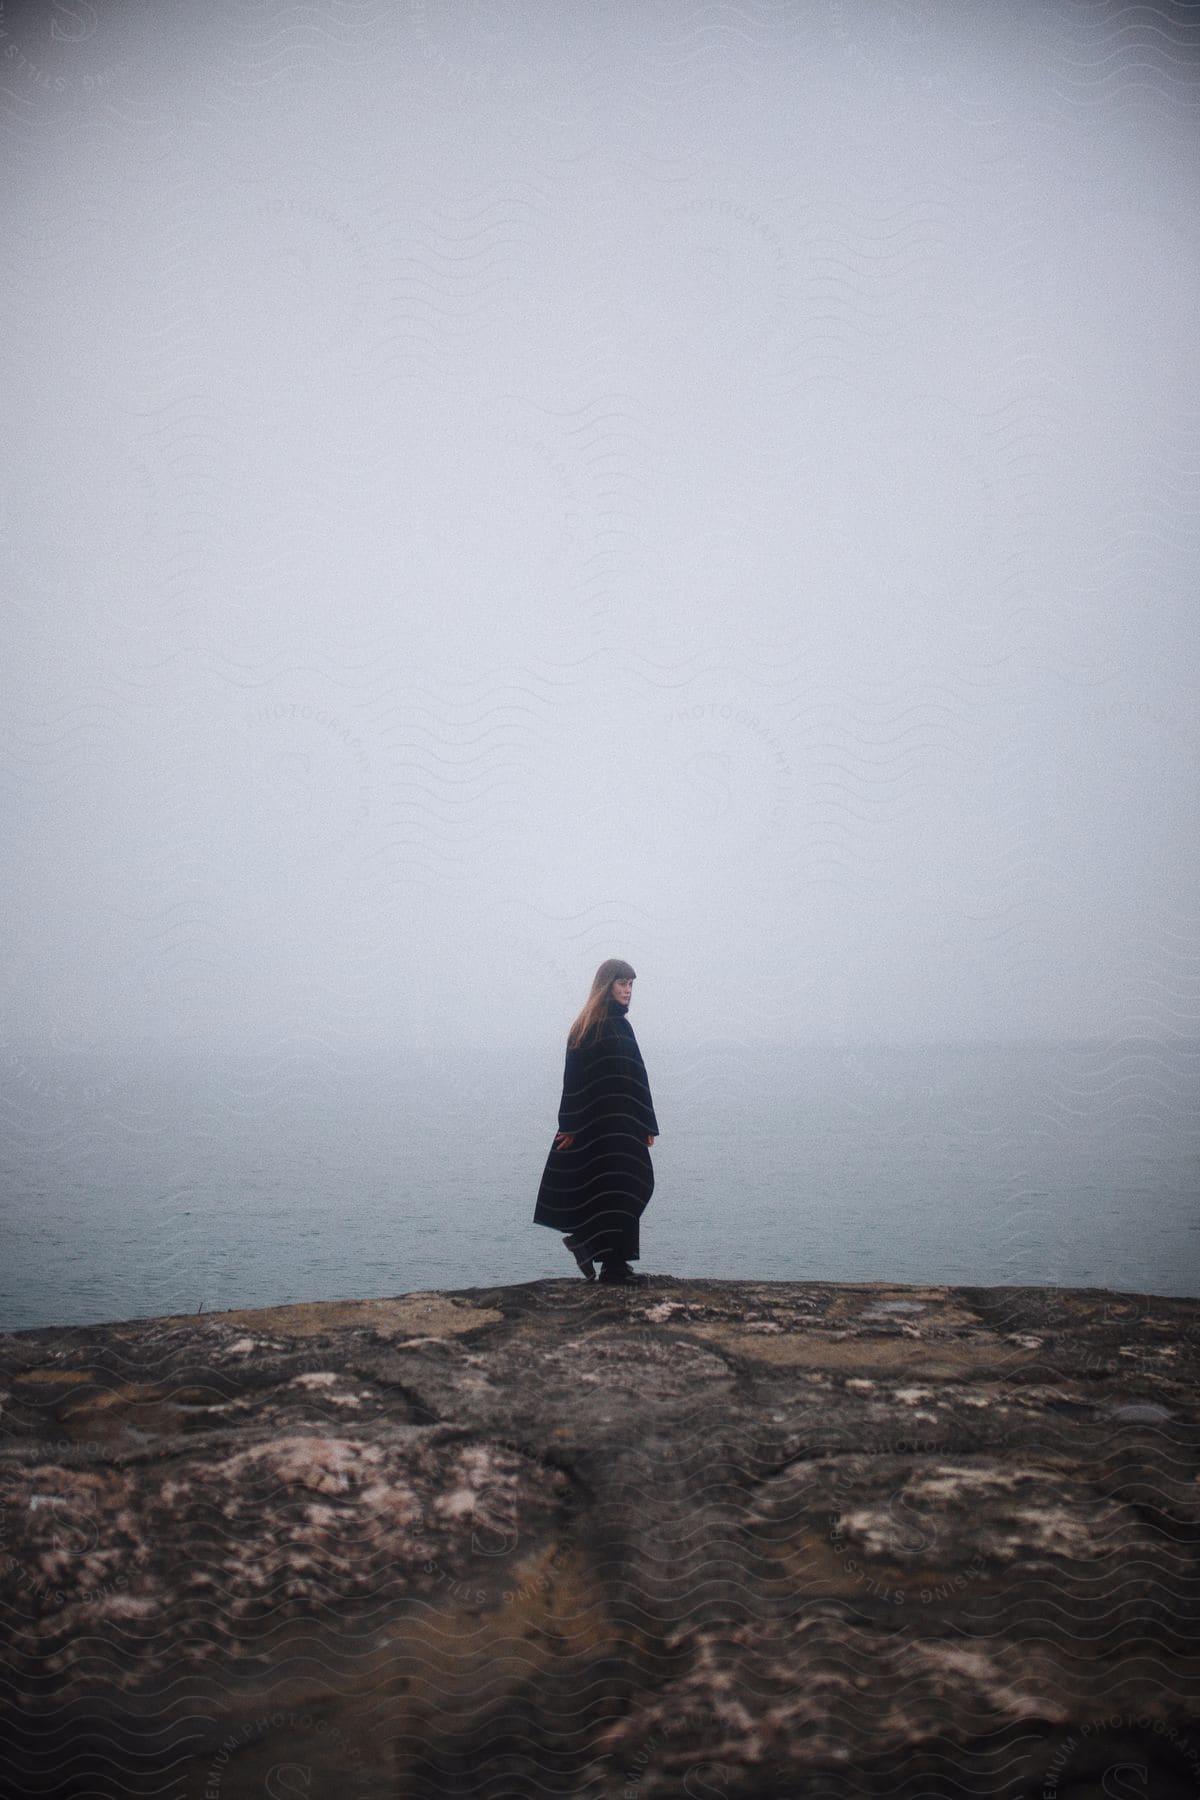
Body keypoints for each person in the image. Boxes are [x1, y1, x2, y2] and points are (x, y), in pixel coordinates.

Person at [533, 958, 659, 1285]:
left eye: (631, 985)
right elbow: (573, 1081)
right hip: (599, 1128)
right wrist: (570, 1126)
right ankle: (614, 1267)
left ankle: (590, 1246)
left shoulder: (623, 1026)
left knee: (638, 1185)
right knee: (617, 1191)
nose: (628, 991)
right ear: (606, 986)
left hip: (627, 1124)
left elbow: (638, 1076)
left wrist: (647, 1124)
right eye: (622, 984)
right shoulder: (587, 1026)